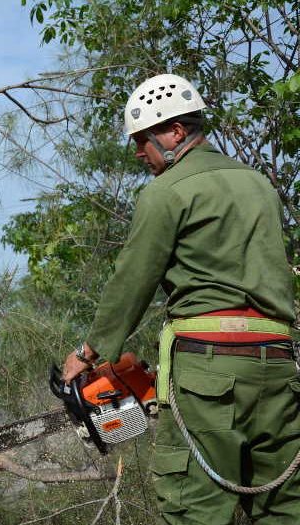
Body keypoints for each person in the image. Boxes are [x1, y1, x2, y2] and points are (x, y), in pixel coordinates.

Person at [61, 73, 300, 524]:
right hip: (278, 368)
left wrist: (87, 353)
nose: (138, 152)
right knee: (285, 508)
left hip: (209, 372)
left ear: (174, 132)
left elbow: (132, 280)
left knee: (193, 508)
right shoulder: (258, 185)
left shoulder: (166, 192)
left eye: (143, 140)